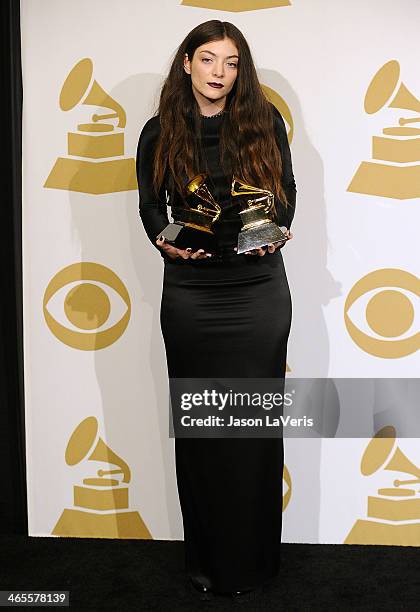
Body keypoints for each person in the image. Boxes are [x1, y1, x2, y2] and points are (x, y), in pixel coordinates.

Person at [136, 19, 296, 599]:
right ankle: (208, 563)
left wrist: (276, 229)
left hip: (256, 292)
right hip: (190, 294)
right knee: (202, 426)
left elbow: (285, 197)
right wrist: (163, 237)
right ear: (187, 63)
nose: (219, 74)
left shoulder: (263, 122)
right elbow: (150, 207)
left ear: (241, 70)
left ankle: (255, 563)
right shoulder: (159, 132)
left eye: (230, 63)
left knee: (252, 427)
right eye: (208, 60)